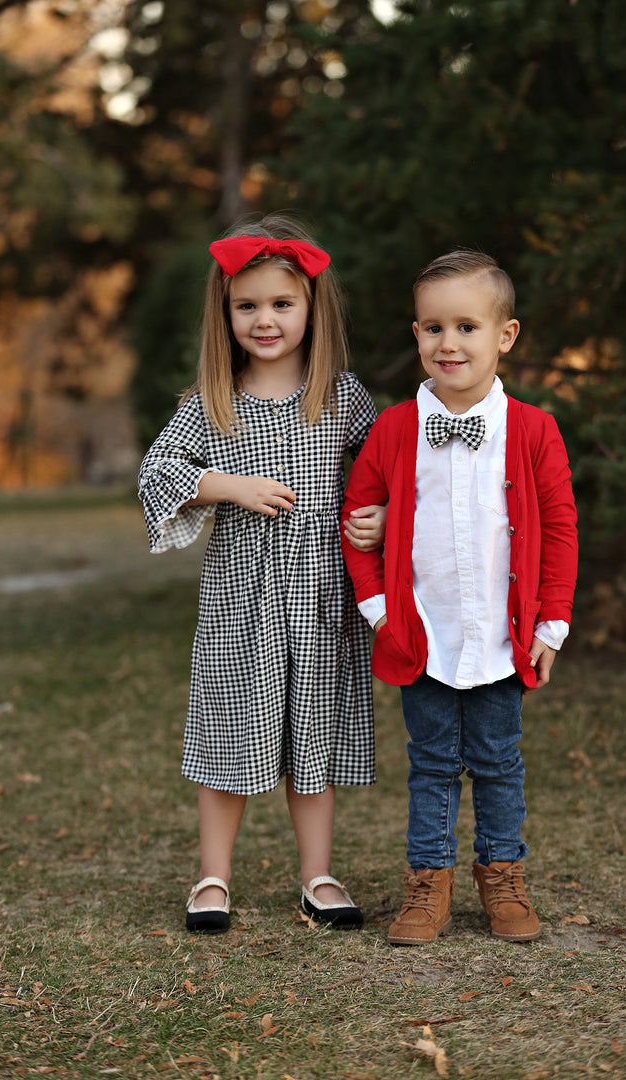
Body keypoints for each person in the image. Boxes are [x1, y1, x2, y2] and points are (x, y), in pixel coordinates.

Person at [139, 213, 385, 934]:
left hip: (321, 598)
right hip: (240, 596)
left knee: (313, 728)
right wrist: (226, 484)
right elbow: (158, 468)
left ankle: (318, 876)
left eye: (282, 303)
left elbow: (386, 471)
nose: (265, 319)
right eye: (247, 306)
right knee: (231, 730)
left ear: (313, 308)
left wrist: (376, 516)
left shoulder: (341, 396)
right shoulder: (212, 402)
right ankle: (213, 877)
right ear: (226, 313)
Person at [341, 249, 578, 945]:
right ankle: (427, 885)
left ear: (504, 336)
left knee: (501, 762)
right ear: (415, 334)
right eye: (433, 328)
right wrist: (381, 611)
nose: (450, 343)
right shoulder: (393, 429)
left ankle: (502, 878)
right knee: (433, 764)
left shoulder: (534, 430)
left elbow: (561, 527)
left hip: (503, 637)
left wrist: (553, 620)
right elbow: (357, 523)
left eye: (467, 327)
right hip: (425, 634)